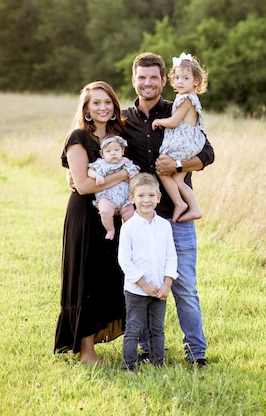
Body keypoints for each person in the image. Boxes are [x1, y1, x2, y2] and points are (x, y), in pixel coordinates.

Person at [123, 52, 215, 368]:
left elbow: (208, 153)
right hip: (142, 219)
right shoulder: (124, 120)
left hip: (175, 218)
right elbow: (99, 146)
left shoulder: (177, 107)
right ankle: (149, 350)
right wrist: (72, 168)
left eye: (154, 77)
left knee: (185, 286)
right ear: (134, 81)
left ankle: (196, 353)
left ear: (164, 80)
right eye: (142, 77)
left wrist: (177, 164)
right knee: (144, 284)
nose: (148, 83)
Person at [54, 81, 128, 365]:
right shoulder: (78, 138)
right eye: (96, 103)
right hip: (85, 215)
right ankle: (86, 352)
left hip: (112, 216)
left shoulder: (118, 136)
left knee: (106, 276)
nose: (102, 107)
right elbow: (83, 185)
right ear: (86, 109)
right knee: (84, 275)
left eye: (107, 102)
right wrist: (120, 176)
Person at [118, 173, 177, 371]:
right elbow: (124, 260)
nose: (146, 200)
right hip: (137, 290)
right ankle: (129, 367)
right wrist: (143, 284)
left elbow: (171, 256)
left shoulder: (164, 226)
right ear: (132, 198)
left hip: (160, 289)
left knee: (157, 329)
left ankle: (158, 364)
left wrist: (167, 284)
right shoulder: (129, 228)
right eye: (141, 195)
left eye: (151, 195)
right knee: (134, 329)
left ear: (159, 198)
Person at [152, 52, 208, 223]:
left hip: (184, 143)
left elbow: (175, 121)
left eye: (185, 78)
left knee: (161, 168)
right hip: (190, 142)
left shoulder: (186, 99)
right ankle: (194, 207)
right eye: (177, 78)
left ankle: (179, 203)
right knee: (177, 179)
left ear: (196, 81)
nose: (180, 82)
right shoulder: (187, 98)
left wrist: (159, 121)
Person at [88, 135, 140, 240]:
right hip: (106, 197)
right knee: (105, 211)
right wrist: (97, 175)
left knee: (130, 214)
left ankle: (132, 233)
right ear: (102, 154)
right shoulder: (101, 164)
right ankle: (110, 230)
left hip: (124, 198)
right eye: (108, 151)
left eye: (116, 150)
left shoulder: (126, 163)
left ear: (122, 151)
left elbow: (136, 171)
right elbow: (89, 171)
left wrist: (135, 173)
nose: (113, 153)